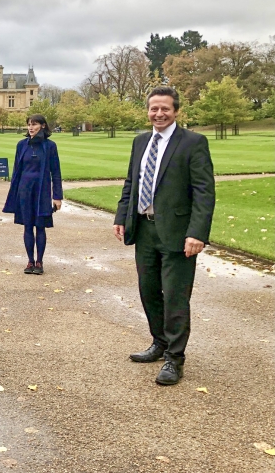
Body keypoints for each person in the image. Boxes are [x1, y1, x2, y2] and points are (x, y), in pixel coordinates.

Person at [114, 86, 215, 386]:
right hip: (144, 229)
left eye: (165, 109)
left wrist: (197, 233)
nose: (159, 114)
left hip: (177, 232)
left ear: (176, 111)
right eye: (154, 109)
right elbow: (131, 183)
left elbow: (204, 192)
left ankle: (175, 358)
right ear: (147, 110)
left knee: (174, 296)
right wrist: (122, 216)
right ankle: (159, 343)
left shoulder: (193, 142)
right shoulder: (140, 141)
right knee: (148, 291)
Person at [2, 114, 63, 275]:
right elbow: (16, 171)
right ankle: (30, 261)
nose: (30, 127)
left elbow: (56, 172)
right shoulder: (21, 145)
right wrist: (14, 194)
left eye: (34, 124)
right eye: (29, 124)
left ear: (43, 126)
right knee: (28, 226)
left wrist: (57, 196)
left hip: (42, 190)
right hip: (24, 190)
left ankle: (39, 262)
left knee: (40, 227)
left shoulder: (50, 146)